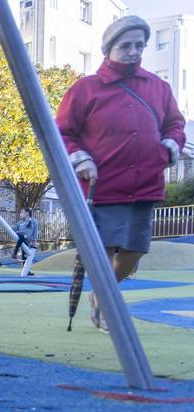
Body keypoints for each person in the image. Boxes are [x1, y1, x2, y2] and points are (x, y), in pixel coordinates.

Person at [57, 15, 186, 331]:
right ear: (109, 48)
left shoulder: (159, 87)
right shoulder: (85, 89)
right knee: (104, 251)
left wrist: (168, 146)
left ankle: (102, 296)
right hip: (101, 184)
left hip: (145, 181)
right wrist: (79, 157)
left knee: (134, 250)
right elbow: (61, 131)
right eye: (126, 45)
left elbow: (175, 124)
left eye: (139, 45)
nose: (134, 51)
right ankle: (106, 304)